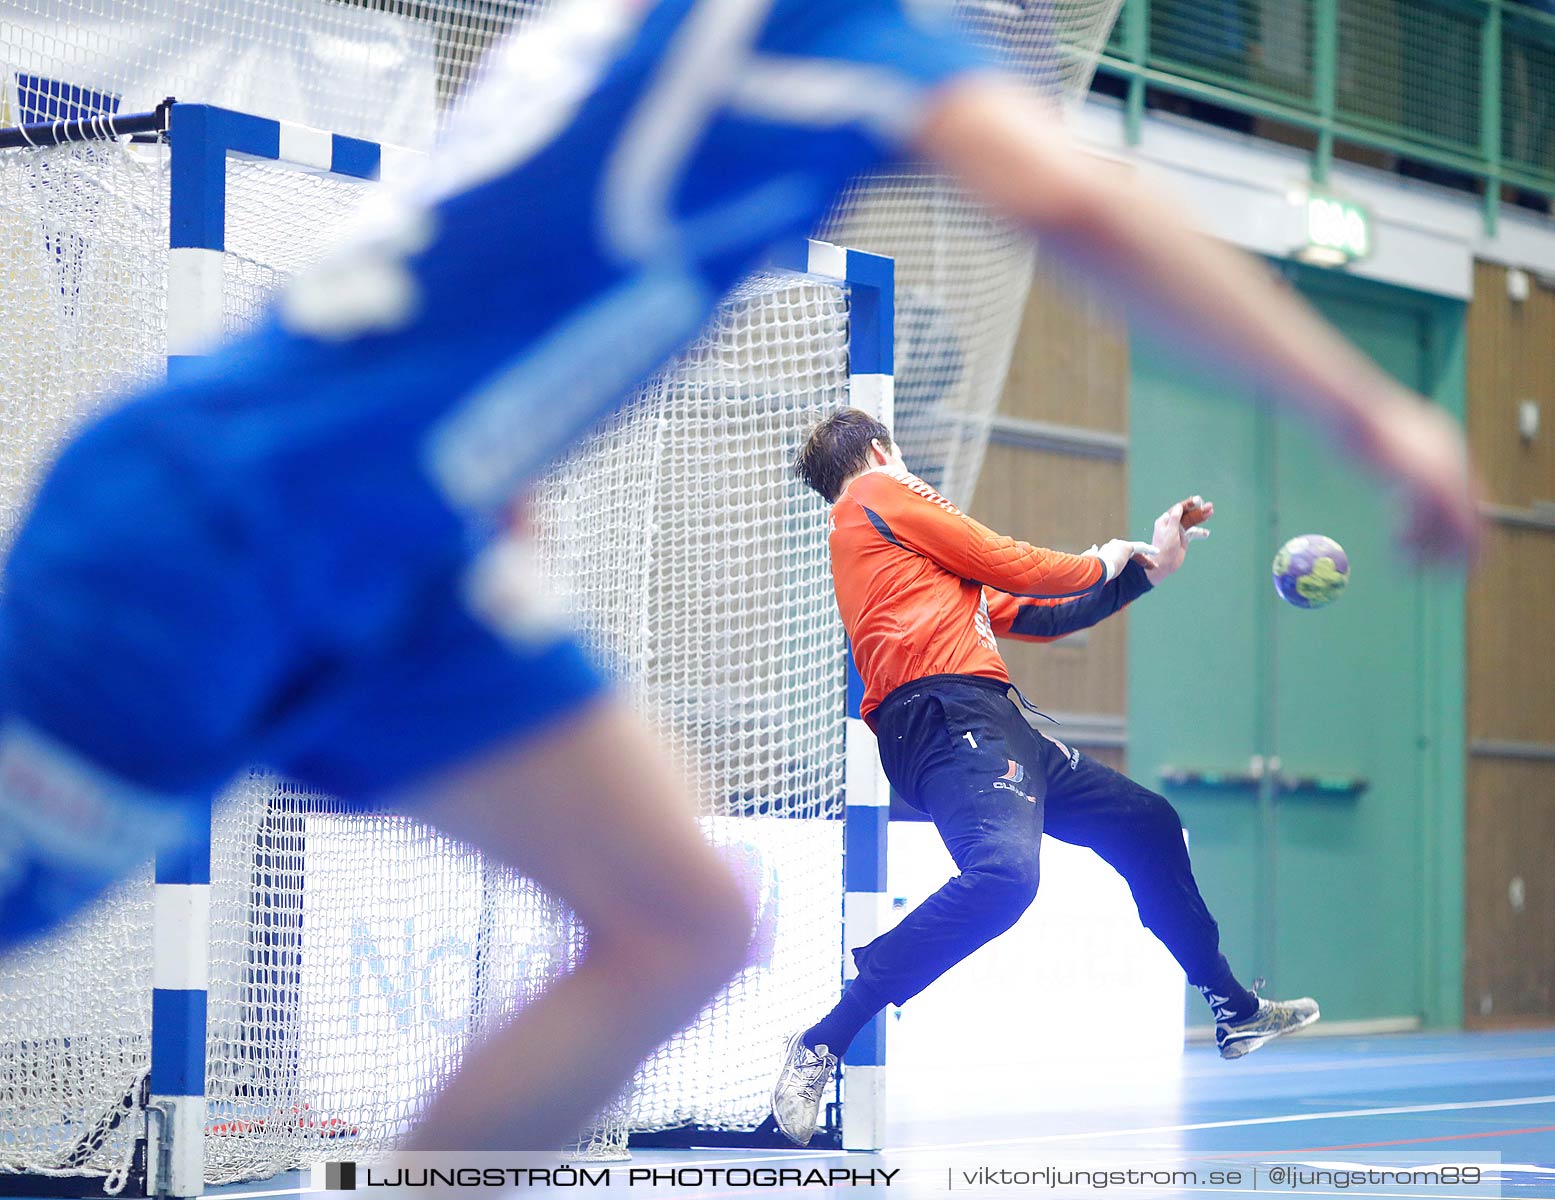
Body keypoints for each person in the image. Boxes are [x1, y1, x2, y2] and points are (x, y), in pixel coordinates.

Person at [0, 0, 1478, 1154]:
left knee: (687, 922)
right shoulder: (811, 31)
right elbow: (1079, 208)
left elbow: (485, 269)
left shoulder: (631, 52)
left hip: (418, 551)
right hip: (227, 513)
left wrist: (1133, 570)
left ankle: (1210, 1000)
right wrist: (1374, 413)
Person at [769, 413, 1316, 1146]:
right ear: (877, 451)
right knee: (1004, 878)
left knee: (1145, 821)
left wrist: (1148, 568)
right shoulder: (877, 490)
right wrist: (1101, 558)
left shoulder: (906, 567)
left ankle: (1230, 1002)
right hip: (948, 715)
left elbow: (1031, 610)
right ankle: (824, 1039)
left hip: (991, 727)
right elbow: (1008, 559)